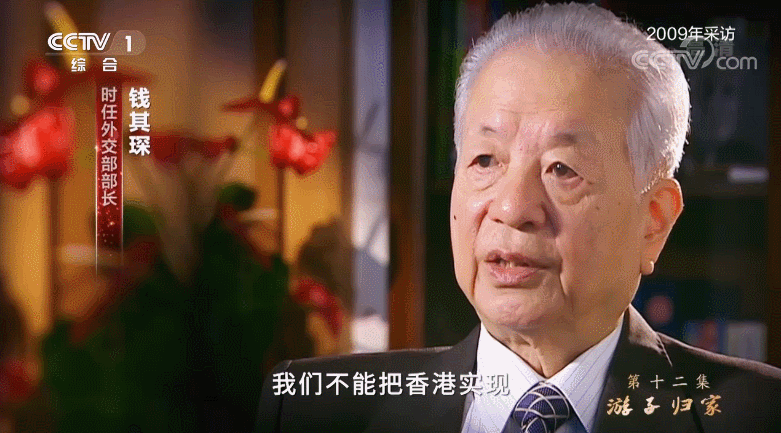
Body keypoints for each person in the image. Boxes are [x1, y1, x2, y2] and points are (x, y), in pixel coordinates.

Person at [254, 3, 781, 432]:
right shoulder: (313, 410)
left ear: (653, 220)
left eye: (562, 169)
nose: (511, 208)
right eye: (486, 160)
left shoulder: (757, 414)